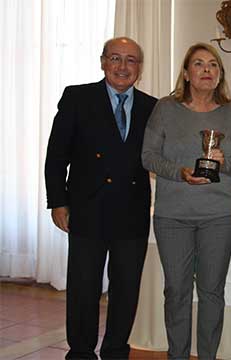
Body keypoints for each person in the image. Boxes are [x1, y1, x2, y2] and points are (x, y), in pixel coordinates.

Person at [44, 37, 157, 359]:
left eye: (131, 60)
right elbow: (56, 156)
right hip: (87, 209)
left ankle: (116, 350)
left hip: (132, 212)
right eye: (116, 58)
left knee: (126, 290)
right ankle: (80, 352)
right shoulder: (78, 98)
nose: (123, 67)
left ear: (140, 67)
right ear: (103, 61)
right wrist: (58, 201)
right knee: (83, 288)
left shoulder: (153, 106)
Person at [141, 42, 231, 359]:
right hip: (173, 215)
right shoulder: (166, 108)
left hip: (218, 215)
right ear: (186, 73)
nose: (206, 70)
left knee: (213, 293)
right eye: (199, 64)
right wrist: (180, 172)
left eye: (213, 65)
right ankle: (177, 355)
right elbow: (148, 156)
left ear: (220, 74)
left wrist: (222, 161)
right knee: (177, 292)